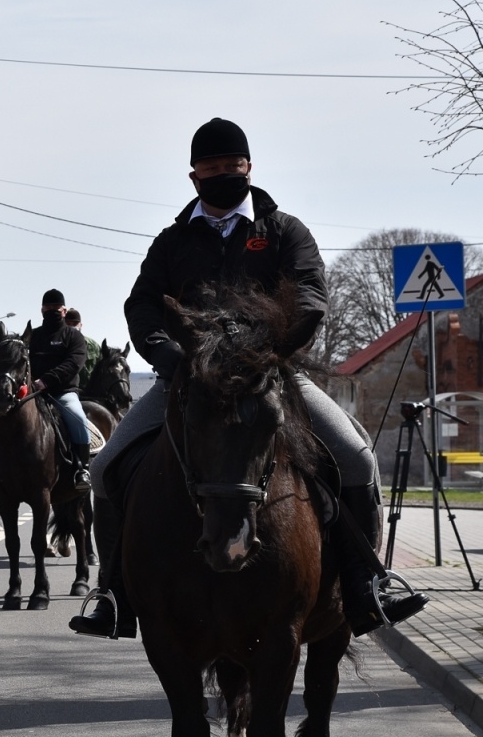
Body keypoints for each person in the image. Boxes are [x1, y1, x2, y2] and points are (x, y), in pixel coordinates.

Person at [70, 117, 427, 639]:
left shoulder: (284, 232)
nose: (221, 174)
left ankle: (365, 585)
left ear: (249, 168)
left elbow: (310, 292)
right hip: (187, 379)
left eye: (231, 167)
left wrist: (276, 348)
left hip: (270, 376)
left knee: (356, 457)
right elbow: (142, 304)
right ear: (193, 176)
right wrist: (169, 357)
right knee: (104, 470)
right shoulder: (172, 241)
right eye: (210, 168)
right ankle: (114, 592)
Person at [29, 290, 92, 491]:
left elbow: (74, 363)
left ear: (64, 311)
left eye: (56, 309)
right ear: (41, 310)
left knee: (77, 418)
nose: (52, 311)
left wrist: (46, 380)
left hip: (63, 392)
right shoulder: (35, 335)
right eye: (48, 309)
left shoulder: (73, 336)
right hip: (34, 393)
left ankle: (83, 468)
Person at [65, 307, 101, 388]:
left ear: (80, 325)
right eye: (68, 324)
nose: (72, 327)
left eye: (74, 324)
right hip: (67, 389)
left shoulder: (93, 346)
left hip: (90, 391)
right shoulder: (59, 345)